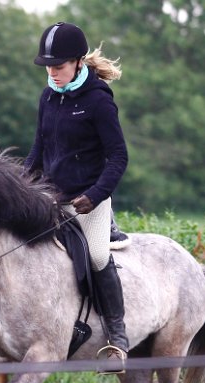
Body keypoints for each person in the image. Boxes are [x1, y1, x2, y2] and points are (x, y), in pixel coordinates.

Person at [24, 21, 129, 362]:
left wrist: (95, 195)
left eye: (59, 66)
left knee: (97, 257)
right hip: (52, 198)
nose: (53, 72)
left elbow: (118, 157)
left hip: (89, 202)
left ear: (77, 63)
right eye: (49, 67)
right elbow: (38, 150)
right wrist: (20, 186)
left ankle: (117, 335)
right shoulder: (49, 97)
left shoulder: (98, 101)